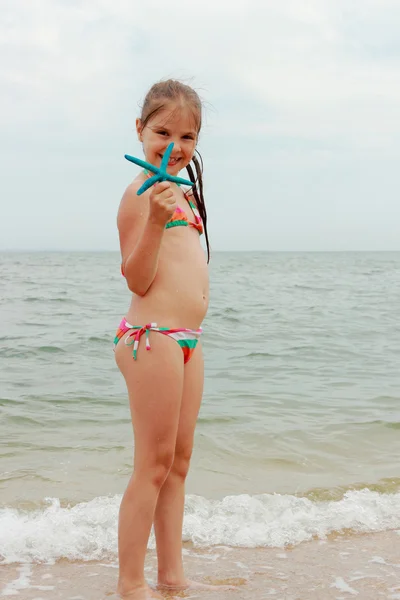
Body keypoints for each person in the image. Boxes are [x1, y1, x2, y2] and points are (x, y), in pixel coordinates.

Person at [114, 79, 213, 599]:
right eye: (162, 132)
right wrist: (154, 219)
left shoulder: (185, 196)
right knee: (151, 465)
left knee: (178, 462)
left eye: (188, 136)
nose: (174, 146)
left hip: (187, 339)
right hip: (150, 336)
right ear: (140, 130)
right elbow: (136, 276)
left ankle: (171, 577)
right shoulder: (139, 196)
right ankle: (130, 585)